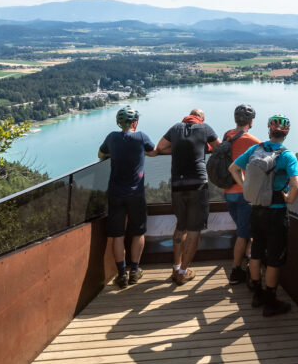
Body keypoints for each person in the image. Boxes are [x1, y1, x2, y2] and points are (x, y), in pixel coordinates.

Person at [229, 114, 298, 316]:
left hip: (257, 209)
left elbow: (233, 168)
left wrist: (246, 188)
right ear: (286, 134)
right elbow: (297, 184)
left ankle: (257, 292)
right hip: (276, 212)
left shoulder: (256, 149)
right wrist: (288, 199)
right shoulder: (286, 156)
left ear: (270, 130)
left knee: (257, 250)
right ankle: (270, 301)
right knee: (274, 258)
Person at [152, 107, 219, 284]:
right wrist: (204, 149)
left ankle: (175, 267)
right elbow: (220, 148)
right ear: (201, 119)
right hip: (198, 184)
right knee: (194, 229)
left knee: (181, 225)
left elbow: (159, 148)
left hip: (177, 184)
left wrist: (178, 150)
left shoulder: (175, 128)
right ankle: (183, 271)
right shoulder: (205, 128)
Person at [98, 105, 157, 288]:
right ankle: (135, 271)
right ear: (135, 123)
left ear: (119, 122)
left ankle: (121, 273)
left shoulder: (112, 137)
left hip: (115, 193)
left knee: (117, 234)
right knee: (138, 232)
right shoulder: (141, 137)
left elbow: (101, 154)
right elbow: (154, 151)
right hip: (136, 193)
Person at [222, 103, 260, 284]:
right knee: (244, 234)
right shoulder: (252, 141)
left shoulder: (227, 135)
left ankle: (248, 266)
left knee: (246, 231)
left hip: (228, 192)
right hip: (243, 194)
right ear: (251, 122)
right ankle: (236, 271)